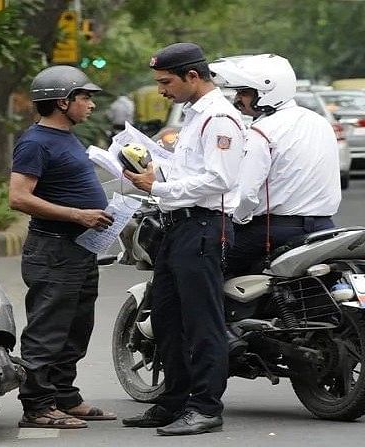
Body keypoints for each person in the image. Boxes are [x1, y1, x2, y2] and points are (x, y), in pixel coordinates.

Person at [122, 42, 245, 436]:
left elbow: (219, 180)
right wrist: (149, 165)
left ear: (193, 76)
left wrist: (157, 186)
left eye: (166, 81)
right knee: (167, 317)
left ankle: (206, 406)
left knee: (202, 320)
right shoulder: (194, 117)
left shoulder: (221, 119)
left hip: (204, 226)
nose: (161, 90)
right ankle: (173, 401)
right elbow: (185, 167)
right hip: (176, 226)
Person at [8, 65, 116, 429]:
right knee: (47, 330)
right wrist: (76, 215)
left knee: (76, 328)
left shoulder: (67, 137)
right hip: (53, 250)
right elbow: (18, 198)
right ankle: (36, 405)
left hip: (79, 249)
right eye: (84, 98)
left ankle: (64, 396)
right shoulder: (35, 142)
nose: (90, 105)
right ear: (61, 101)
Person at [210, 54, 341, 277]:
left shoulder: (263, 131)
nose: (237, 100)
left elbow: (246, 194)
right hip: (324, 228)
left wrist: (237, 219)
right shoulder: (320, 122)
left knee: (207, 268)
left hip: (273, 231)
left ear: (266, 92)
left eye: (244, 93)